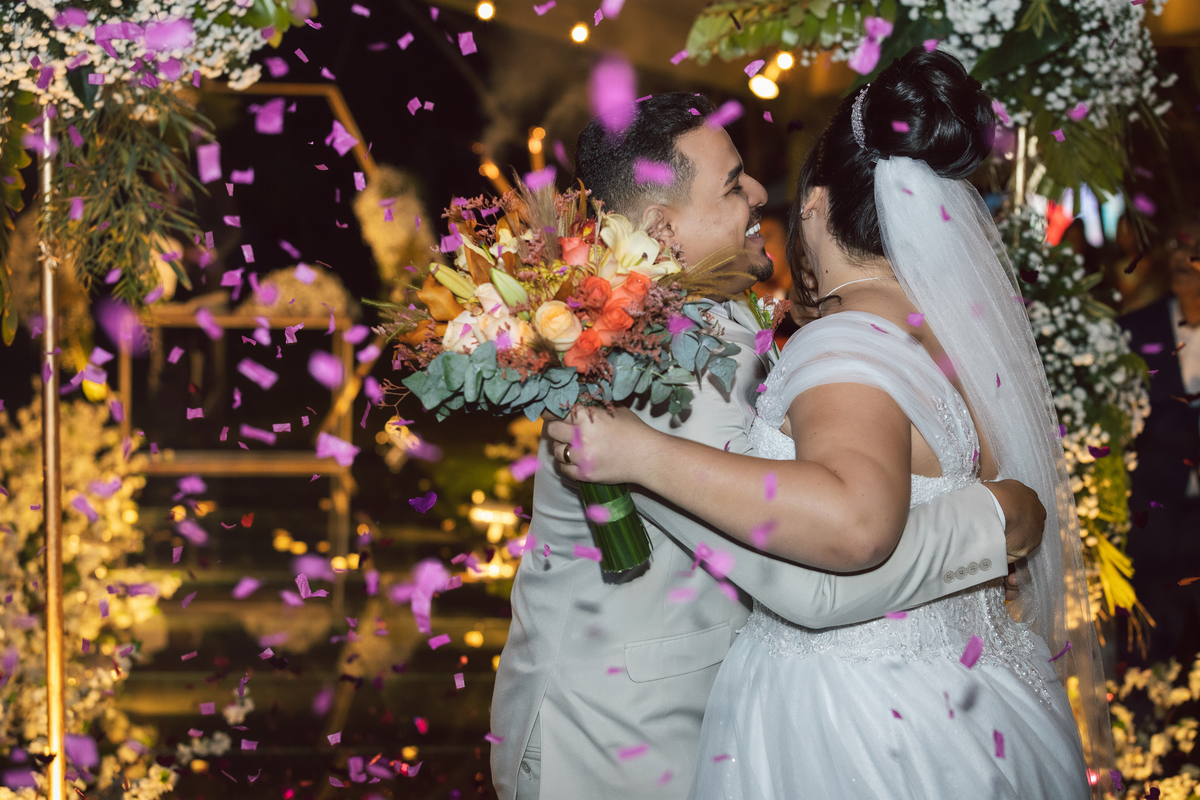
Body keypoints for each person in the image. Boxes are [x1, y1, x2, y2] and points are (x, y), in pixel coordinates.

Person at [546, 50, 1110, 798]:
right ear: (663, 225)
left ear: (818, 205)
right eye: (732, 182)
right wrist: (991, 518)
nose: (758, 191)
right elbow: (815, 589)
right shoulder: (626, 367)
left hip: (865, 720)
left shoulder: (814, 334)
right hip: (634, 738)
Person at [1119, 217, 1200, 664]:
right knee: (1149, 652)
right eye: (1175, 246)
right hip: (1155, 525)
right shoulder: (1136, 331)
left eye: (1192, 248)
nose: (1179, 257)